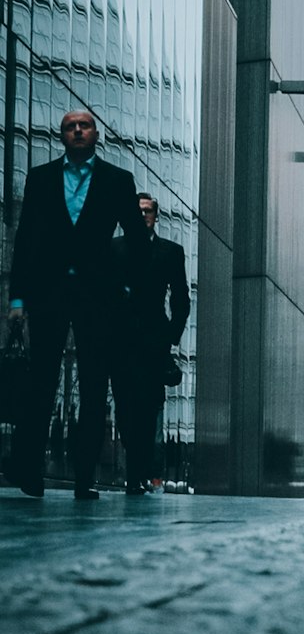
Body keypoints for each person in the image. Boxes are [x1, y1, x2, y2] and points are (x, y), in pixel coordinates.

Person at [7, 109, 146, 499]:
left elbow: (136, 239)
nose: (78, 131)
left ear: (96, 133)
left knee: (93, 385)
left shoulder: (118, 181)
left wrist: (129, 291)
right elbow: (25, 242)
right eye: (71, 127)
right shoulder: (40, 178)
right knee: (41, 383)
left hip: (97, 297)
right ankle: (30, 472)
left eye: (84, 126)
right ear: (61, 135)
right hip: (48, 294)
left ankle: (85, 478)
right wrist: (17, 300)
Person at [110, 193, 190, 494]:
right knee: (125, 407)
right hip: (120, 340)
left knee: (147, 408)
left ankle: (136, 474)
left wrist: (171, 335)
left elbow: (181, 298)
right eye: (139, 211)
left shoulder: (171, 252)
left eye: (149, 211)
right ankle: (136, 467)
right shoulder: (113, 248)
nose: (144, 216)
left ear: (156, 216)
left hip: (153, 343)